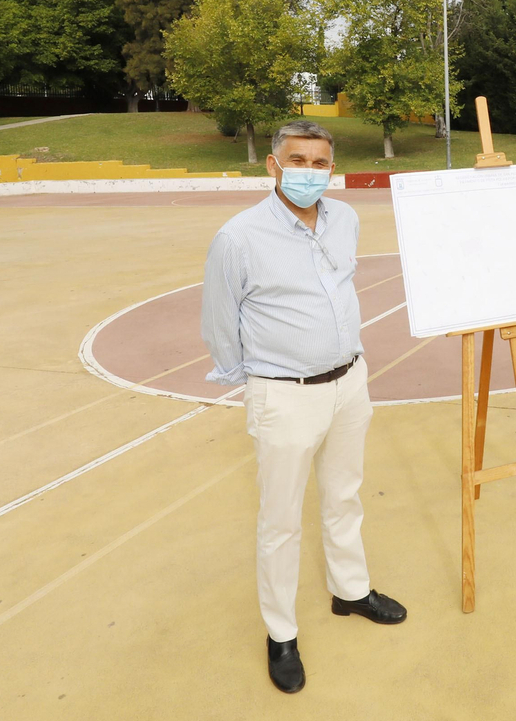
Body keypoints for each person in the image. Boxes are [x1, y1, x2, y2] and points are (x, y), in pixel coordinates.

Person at [200, 120, 407, 695]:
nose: (310, 172)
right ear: (273, 165)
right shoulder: (238, 238)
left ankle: (351, 591)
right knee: (281, 520)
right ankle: (281, 632)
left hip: (349, 383)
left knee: (345, 495)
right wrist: (263, 383)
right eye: (299, 160)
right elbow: (220, 324)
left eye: (320, 163)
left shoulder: (345, 218)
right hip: (284, 393)